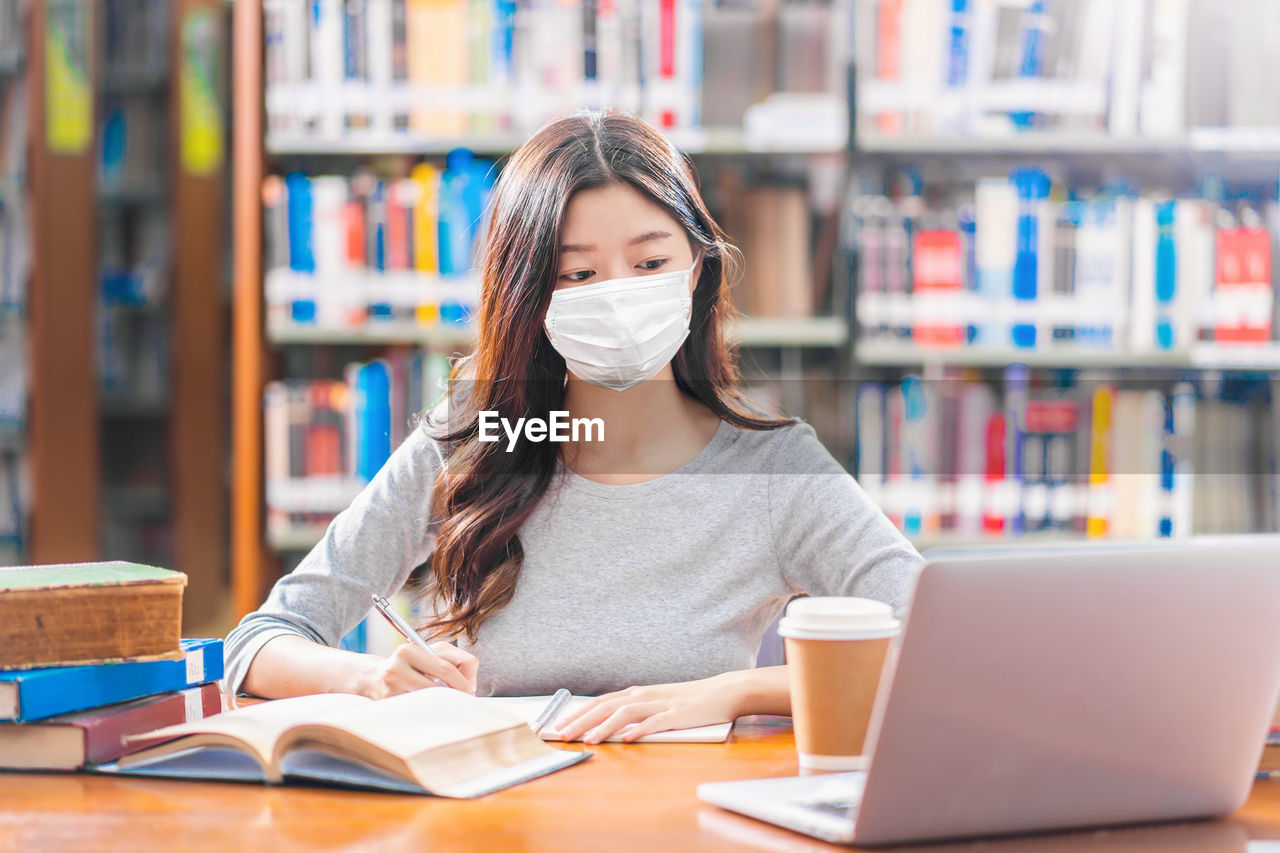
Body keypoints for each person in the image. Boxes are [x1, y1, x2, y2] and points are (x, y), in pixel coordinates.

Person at [224, 110, 923, 744]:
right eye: (578, 274)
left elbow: (932, 648)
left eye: (650, 263)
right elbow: (259, 641)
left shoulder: (774, 469)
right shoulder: (469, 444)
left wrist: (735, 692)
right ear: (529, 296)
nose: (618, 295)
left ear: (698, 270)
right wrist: (368, 678)